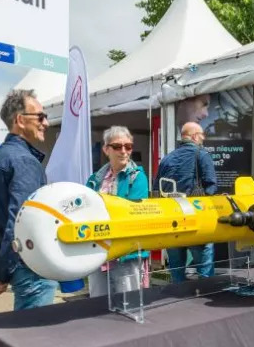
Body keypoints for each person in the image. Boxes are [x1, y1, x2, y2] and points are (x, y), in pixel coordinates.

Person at [0, 89, 58, 310]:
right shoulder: (24, 161)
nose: (46, 123)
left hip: (21, 265)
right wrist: (3, 273)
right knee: (35, 339)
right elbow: (20, 223)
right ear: (20, 120)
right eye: (41, 117)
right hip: (31, 266)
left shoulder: (0, 157)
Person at [85, 126, 150, 297]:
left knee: (129, 303)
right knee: (97, 303)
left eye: (128, 146)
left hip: (125, 253)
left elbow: (131, 213)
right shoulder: (94, 180)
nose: (124, 151)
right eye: (117, 146)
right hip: (98, 253)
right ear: (106, 149)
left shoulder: (137, 178)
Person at [154, 121, 218, 283]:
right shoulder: (201, 154)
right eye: (202, 135)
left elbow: (156, 191)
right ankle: (205, 299)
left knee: (177, 274)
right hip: (195, 220)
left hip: (171, 222)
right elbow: (211, 186)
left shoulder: (167, 159)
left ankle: (180, 303)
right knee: (204, 274)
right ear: (195, 136)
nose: (203, 138)